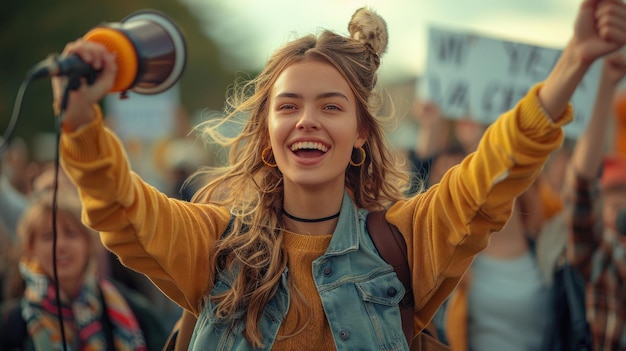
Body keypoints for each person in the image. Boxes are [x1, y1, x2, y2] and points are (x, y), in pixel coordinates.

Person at [49, 1, 626, 350]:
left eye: (330, 106)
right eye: (289, 105)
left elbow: (496, 168)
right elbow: (121, 208)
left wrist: (574, 60)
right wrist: (79, 120)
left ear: (361, 135)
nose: (308, 120)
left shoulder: (407, 242)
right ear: (267, 132)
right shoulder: (214, 245)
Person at [0, 187, 168, 350]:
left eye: (71, 233)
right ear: (31, 248)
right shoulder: (11, 324)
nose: (60, 246)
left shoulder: (134, 310)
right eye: (48, 237)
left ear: (89, 243)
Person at [564, 51, 626, 351]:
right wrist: (605, 87)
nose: (621, 205)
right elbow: (580, 186)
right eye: (613, 195)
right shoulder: (607, 259)